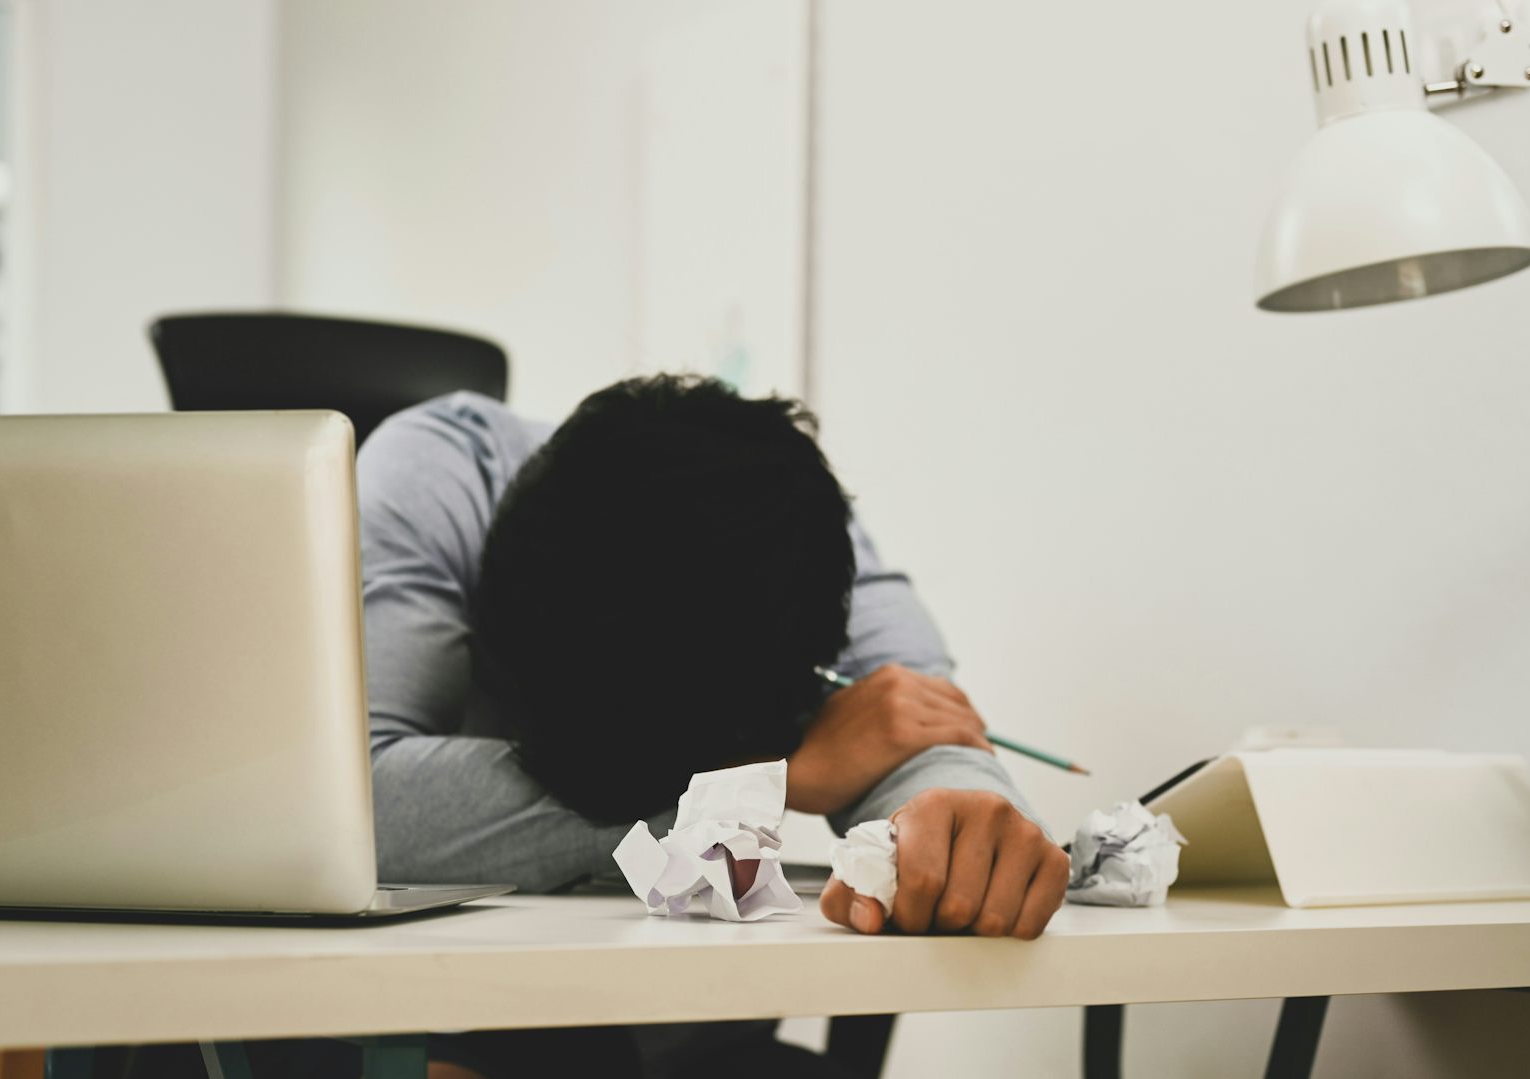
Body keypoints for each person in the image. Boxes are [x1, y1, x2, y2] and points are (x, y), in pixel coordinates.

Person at [360, 374, 1067, 1077]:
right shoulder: (435, 483)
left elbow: (924, 736)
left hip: (695, 1028)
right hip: (433, 1014)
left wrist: (961, 819)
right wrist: (768, 779)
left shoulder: (789, 542)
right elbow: (361, 805)